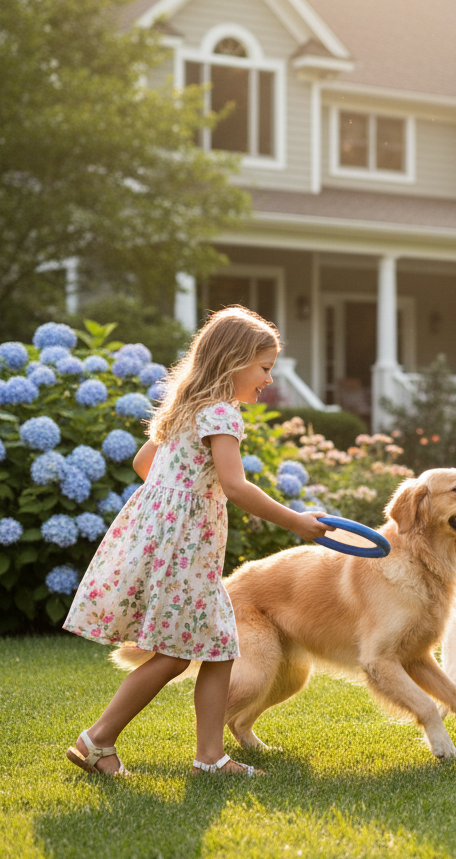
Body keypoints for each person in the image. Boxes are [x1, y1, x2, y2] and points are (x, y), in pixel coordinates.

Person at [63, 306, 329, 776]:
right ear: (233, 362)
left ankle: (210, 757)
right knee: (176, 652)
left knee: (218, 642)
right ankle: (99, 739)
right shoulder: (223, 412)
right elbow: (235, 486)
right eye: (265, 367)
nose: (269, 378)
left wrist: (176, 500)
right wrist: (296, 522)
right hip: (187, 549)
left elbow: (144, 464)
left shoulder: (185, 407)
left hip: (166, 541)